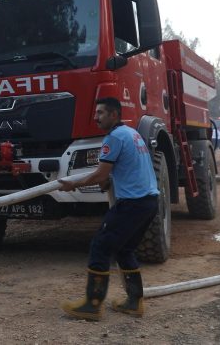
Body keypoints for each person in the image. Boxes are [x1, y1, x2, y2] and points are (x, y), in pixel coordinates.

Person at [57, 97, 159, 321]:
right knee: (124, 250)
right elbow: (112, 174)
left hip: (132, 203)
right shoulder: (132, 133)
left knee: (100, 246)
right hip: (149, 202)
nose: (96, 117)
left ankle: (92, 305)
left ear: (114, 115)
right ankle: (134, 303)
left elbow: (101, 174)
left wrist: (73, 184)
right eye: (96, 113)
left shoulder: (113, 137)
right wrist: (105, 180)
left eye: (101, 113)